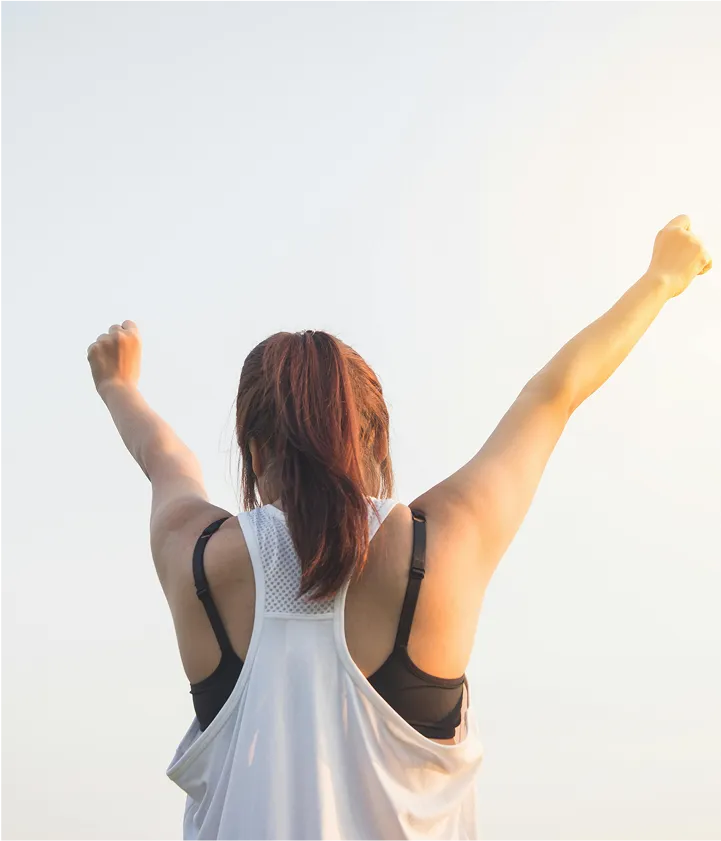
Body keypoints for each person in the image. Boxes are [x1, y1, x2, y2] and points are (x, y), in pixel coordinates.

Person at [87, 214, 711, 840]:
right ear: (377, 441)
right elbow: (553, 395)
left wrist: (118, 385)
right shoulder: (443, 545)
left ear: (251, 452)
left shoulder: (196, 560)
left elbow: (166, 460)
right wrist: (660, 278)